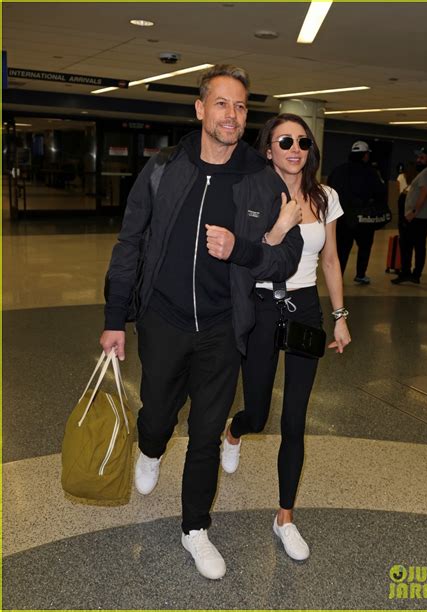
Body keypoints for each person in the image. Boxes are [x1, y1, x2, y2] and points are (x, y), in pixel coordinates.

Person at [100, 65, 303, 580]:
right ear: (200, 109)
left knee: (207, 433)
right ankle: (150, 448)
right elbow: (130, 243)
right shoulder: (165, 168)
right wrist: (115, 318)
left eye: (239, 106)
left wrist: (242, 252)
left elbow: (286, 257)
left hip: (222, 326)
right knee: (158, 415)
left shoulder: (261, 178)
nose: (231, 115)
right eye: (221, 104)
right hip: (163, 319)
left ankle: (195, 528)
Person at [221, 113, 351, 561]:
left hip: (305, 310)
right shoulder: (253, 192)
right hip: (260, 305)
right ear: (269, 149)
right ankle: (234, 432)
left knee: (294, 418)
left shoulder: (325, 197)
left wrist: (340, 315)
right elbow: (243, 251)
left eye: (302, 141)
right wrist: (278, 223)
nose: (295, 149)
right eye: (285, 141)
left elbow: (331, 259)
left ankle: (285, 518)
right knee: (258, 414)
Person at [328, 141, 386, 284]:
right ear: (365, 155)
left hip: (342, 218)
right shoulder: (371, 173)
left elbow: (329, 191)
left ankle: (338, 276)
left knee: (342, 249)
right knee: (365, 247)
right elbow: (380, 192)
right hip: (364, 219)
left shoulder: (338, 170)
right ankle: (360, 274)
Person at [391, 147, 427, 284]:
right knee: (419, 245)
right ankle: (415, 274)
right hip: (423, 217)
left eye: (422, 158)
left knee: (407, 244)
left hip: (417, 217)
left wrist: (413, 212)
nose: (418, 160)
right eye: (418, 158)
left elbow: (424, 193)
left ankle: (407, 273)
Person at [396, 161, 418, 230]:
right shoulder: (416, 177)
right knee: (410, 218)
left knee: (401, 218)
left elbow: (398, 188)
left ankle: (402, 234)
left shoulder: (400, 176)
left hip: (402, 197)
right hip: (411, 198)